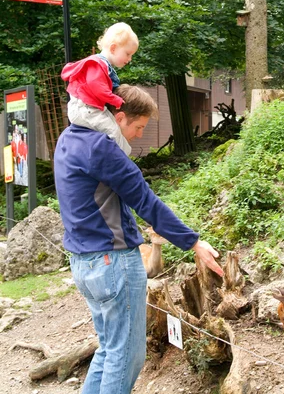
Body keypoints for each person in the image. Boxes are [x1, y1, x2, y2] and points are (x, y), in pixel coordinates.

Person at [54, 84, 224, 394]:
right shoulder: (103, 149)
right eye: (138, 127)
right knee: (127, 355)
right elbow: (146, 201)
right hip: (112, 263)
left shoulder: (69, 138)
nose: (137, 136)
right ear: (118, 118)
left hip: (83, 263)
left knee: (108, 349)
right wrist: (194, 243)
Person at [61, 22, 139, 155]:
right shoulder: (98, 64)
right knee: (113, 131)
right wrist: (115, 100)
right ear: (113, 48)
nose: (130, 59)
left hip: (90, 109)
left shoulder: (103, 65)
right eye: (127, 54)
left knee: (113, 127)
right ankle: (118, 159)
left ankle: (125, 155)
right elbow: (97, 87)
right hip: (86, 109)